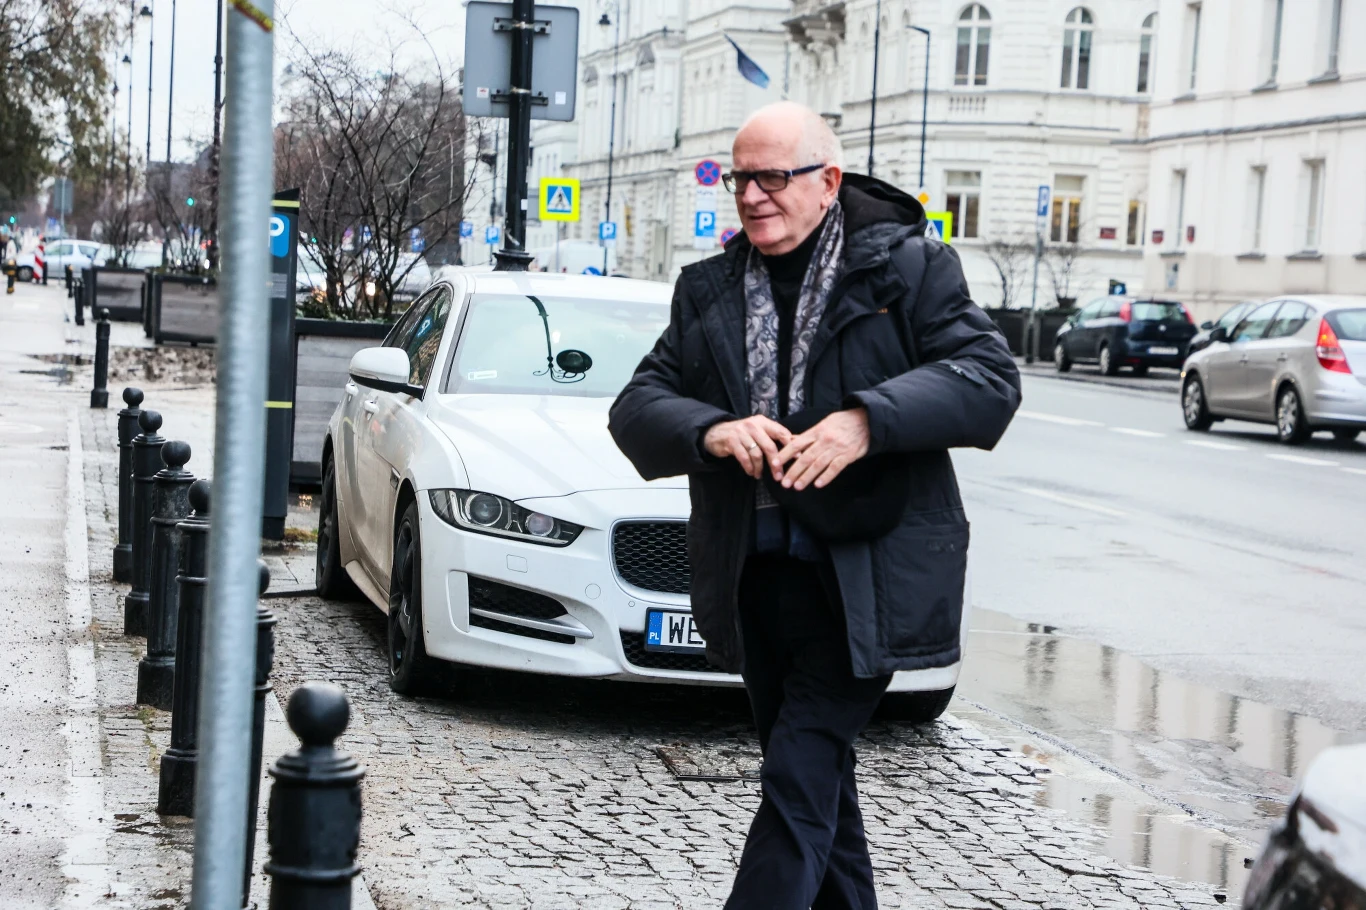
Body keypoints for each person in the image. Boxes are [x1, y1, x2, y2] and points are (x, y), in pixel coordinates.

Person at [608, 101, 1021, 909]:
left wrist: (869, 420)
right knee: (819, 784)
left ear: (828, 182)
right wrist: (713, 430)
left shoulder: (907, 270)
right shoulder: (709, 290)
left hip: (866, 577)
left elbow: (989, 381)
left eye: (772, 178)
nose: (751, 196)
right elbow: (636, 408)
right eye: (740, 180)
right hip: (756, 576)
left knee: (798, 776)